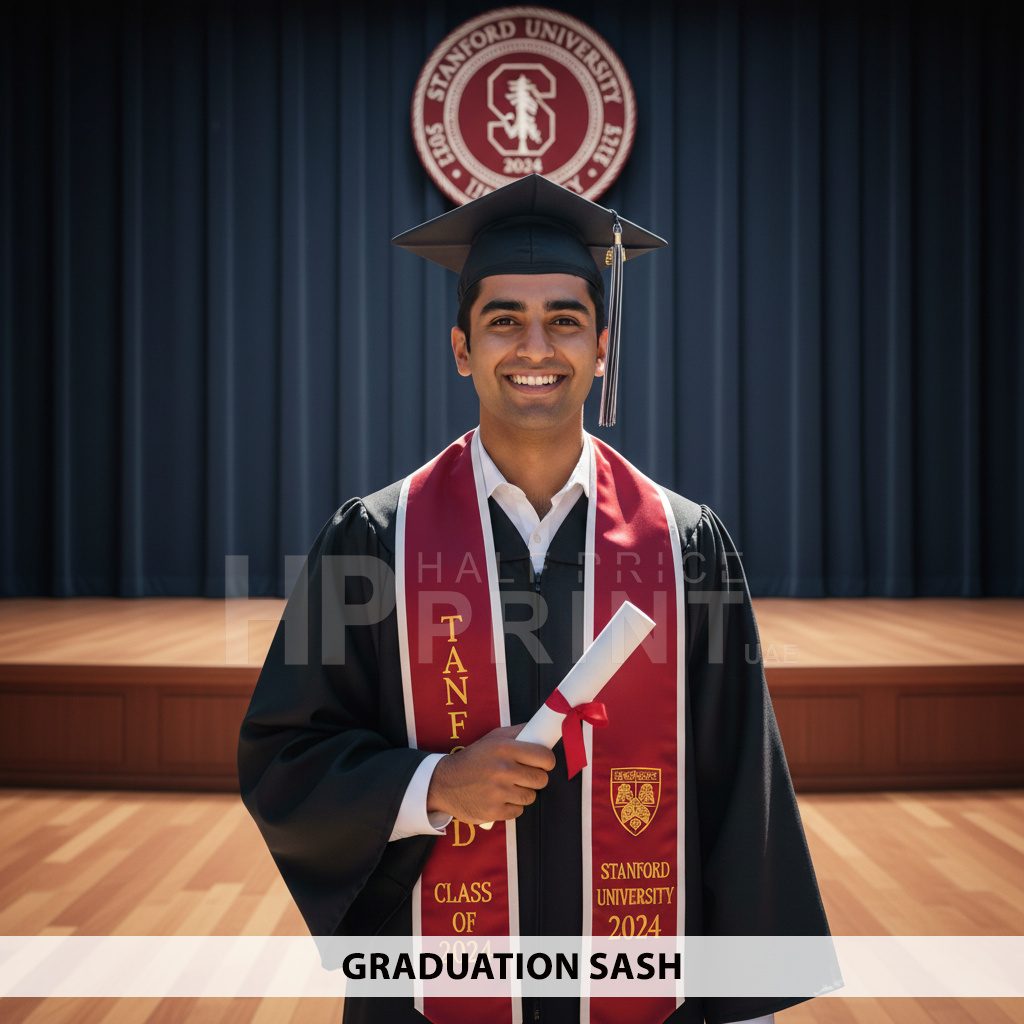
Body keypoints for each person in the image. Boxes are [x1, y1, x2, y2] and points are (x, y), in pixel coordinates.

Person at [239, 175, 831, 1024]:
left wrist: (747, 1008)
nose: (535, 347)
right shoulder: (377, 537)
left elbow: (738, 784)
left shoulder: (683, 542)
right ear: (460, 347)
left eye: (565, 319)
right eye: (504, 319)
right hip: (434, 991)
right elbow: (286, 753)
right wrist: (436, 784)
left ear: (602, 348)